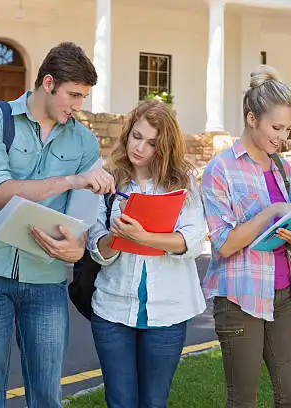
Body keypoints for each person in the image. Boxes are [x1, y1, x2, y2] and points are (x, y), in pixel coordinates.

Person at [0, 42, 115, 408]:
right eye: (73, 95)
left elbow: (81, 220)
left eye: (84, 97)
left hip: (45, 281)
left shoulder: (85, 141)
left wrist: (77, 249)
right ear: (48, 82)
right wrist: (70, 180)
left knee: (47, 395)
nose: (79, 106)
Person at [201, 65, 291, 408]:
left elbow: (288, 226)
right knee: (243, 400)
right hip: (240, 298)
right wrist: (270, 212)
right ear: (252, 118)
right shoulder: (220, 170)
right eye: (276, 127)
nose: (282, 137)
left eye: (287, 129)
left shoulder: (280, 167)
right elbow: (223, 244)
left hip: (282, 294)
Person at [86, 99, 206, 408]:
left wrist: (145, 237)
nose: (140, 147)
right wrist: (117, 235)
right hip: (112, 309)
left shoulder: (181, 184)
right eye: (136, 136)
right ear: (127, 133)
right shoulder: (107, 180)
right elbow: (97, 250)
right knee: (120, 401)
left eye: (152, 143)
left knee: (153, 402)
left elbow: (192, 241)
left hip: (168, 311)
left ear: (164, 148)